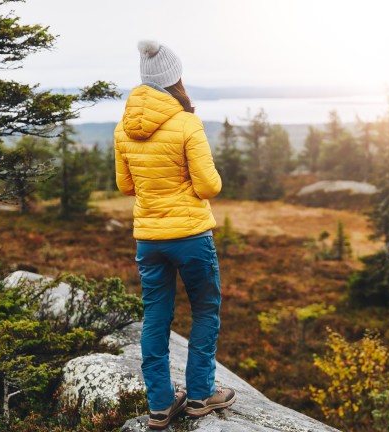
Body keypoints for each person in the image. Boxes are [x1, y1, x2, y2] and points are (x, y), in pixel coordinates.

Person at [114, 40, 236, 430]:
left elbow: (125, 185)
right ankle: (200, 395)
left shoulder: (123, 127)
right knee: (204, 308)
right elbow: (209, 186)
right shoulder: (187, 123)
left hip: (149, 239)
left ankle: (160, 405)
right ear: (175, 79)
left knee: (155, 317)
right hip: (191, 237)